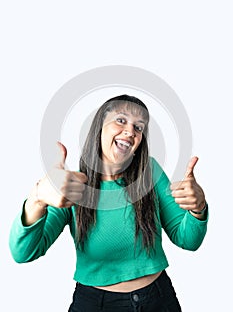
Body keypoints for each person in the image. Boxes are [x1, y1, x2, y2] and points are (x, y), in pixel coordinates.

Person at [9, 94, 208, 311]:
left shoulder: (150, 172)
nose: (131, 131)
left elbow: (188, 239)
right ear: (99, 127)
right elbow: (23, 253)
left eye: (139, 127)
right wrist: (37, 199)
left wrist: (198, 209)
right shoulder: (71, 185)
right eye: (121, 120)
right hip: (95, 304)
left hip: (158, 299)